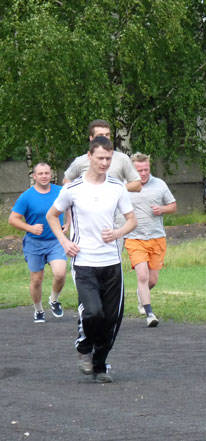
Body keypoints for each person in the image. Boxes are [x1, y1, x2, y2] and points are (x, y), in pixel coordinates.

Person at [47, 136, 137, 383]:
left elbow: (132, 220)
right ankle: (84, 347)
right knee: (93, 312)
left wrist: (118, 233)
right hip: (84, 261)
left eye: (109, 158)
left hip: (111, 262)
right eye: (100, 158)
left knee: (112, 318)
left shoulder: (116, 187)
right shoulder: (72, 189)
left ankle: (99, 366)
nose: (105, 163)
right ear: (89, 157)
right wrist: (64, 242)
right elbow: (52, 216)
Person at [8, 163, 68, 323]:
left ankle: (54, 300)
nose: (44, 176)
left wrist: (68, 224)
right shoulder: (27, 196)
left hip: (56, 240)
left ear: (51, 175)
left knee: (60, 273)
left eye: (47, 173)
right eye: (40, 173)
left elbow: (69, 207)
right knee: (37, 279)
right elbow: (12, 219)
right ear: (34, 176)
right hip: (34, 243)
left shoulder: (60, 191)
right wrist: (30, 228)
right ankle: (38, 310)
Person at [125, 152, 177, 327]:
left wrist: (162, 209)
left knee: (152, 280)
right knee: (142, 275)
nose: (143, 173)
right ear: (133, 169)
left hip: (156, 237)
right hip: (134, 238)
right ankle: (149, 313)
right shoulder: (126, 186)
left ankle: (142, 295)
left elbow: (173, 206)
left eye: (146, 169)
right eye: (139, 170)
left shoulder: (159, 184)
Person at [63, 119, 141, 192]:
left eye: (107, 135)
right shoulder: (80, 161)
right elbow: (67, 181)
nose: (105, 138)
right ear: (91, 138)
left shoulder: (122, 159)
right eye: (100, 135)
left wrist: (115, 190)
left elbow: (137, 185)